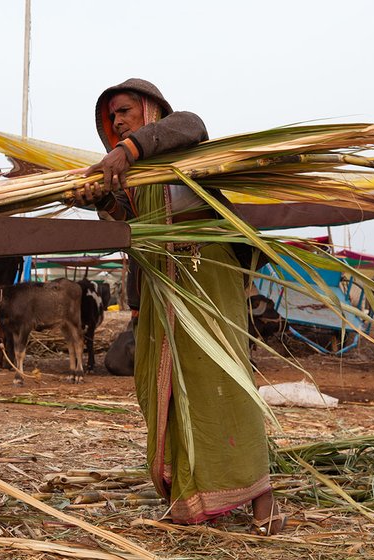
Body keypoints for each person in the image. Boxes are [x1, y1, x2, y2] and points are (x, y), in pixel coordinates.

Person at [74, 78, 286, 535]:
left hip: (206, 278)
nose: (117, 121)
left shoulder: (179, 142)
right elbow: (127, 228)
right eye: (112, 118)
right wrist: (100, 199)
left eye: (125, 110)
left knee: (222, 380)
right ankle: (189, 497)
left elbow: (193, 123)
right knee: (162, 388)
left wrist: (129, 149)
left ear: (150, 111)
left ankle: (262, 498)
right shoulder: (131, 179)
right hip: (159, 290)